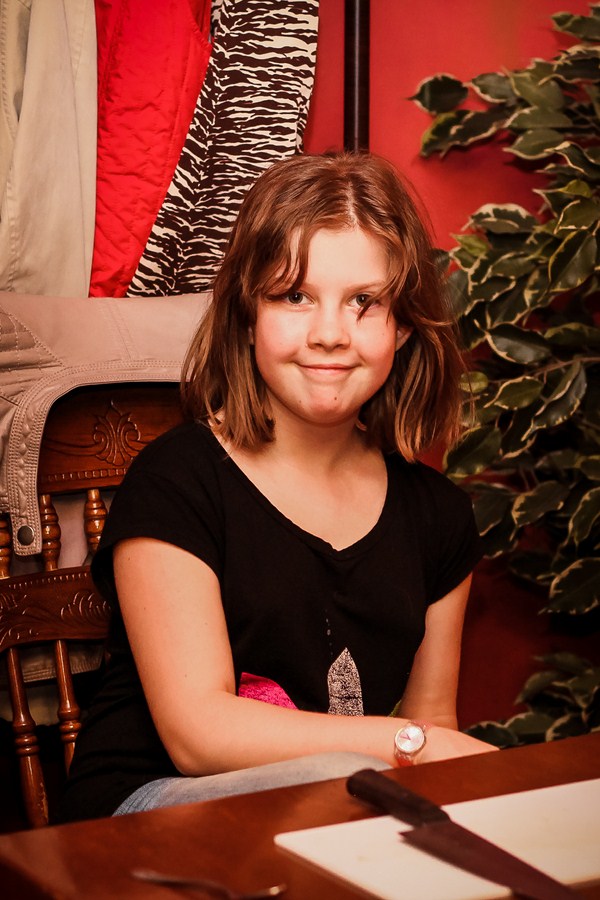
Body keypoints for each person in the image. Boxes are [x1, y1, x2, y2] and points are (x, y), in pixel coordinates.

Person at [60, 151, 495, 823]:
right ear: (247, 314)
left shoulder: (438, 516)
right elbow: (198, 734)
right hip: (141, 816)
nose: (330, 335)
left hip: (328, 815)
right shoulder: (178, 481)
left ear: (404, 325)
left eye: (364, 303)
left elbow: (432, 724)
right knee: (348, 783)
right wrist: (404, 745)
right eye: (295, 297)